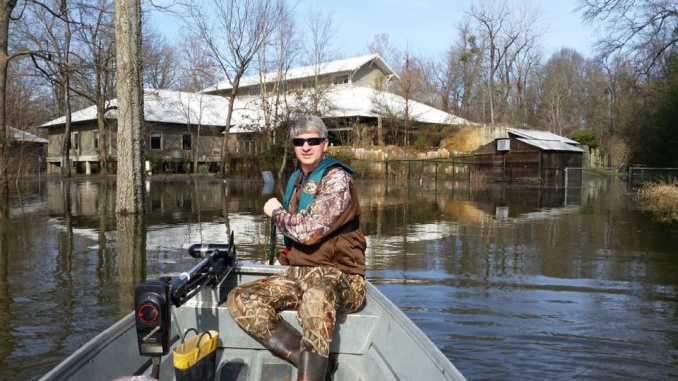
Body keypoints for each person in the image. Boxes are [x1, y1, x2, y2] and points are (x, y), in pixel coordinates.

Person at [227, 115, 366, 381]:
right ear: (293, 145)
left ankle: (310, 376)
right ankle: (309, 362)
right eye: (299, 141)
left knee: (316, 296)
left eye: (312, 140)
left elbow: (307, 231)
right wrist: (282, 258)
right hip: (302, 273)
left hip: (344, 278)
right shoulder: (298, 180)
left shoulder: (337, 180)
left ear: (325, 144)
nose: (306, 146)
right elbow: (295, 241)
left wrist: (276, 212)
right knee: (240, 298)